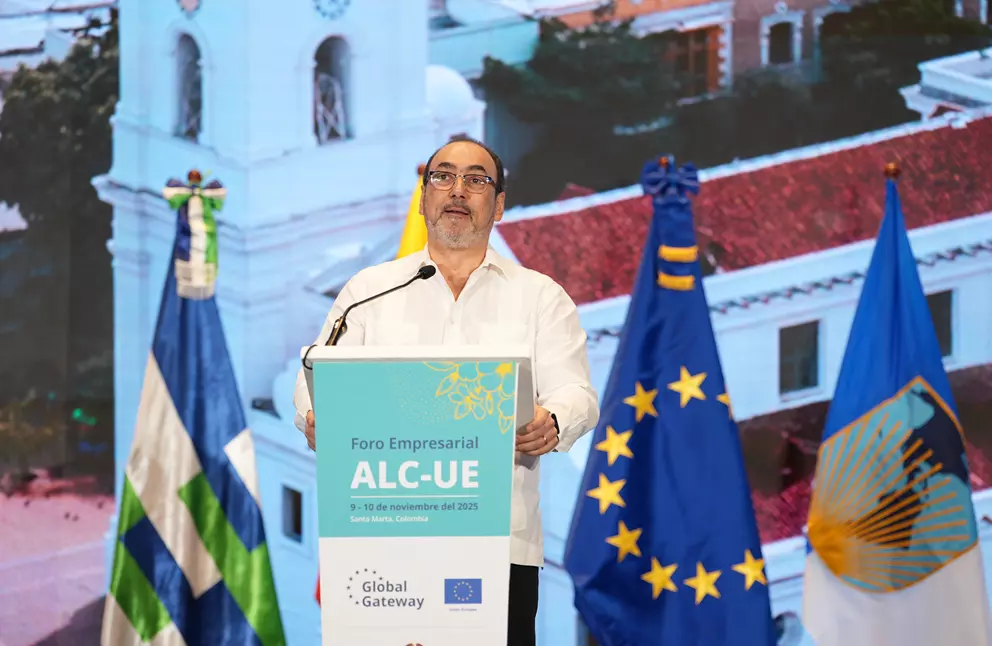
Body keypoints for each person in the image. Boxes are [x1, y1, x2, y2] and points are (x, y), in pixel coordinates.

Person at [292, 136, 600, 646]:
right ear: (423, 198)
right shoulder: (368, 291)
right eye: (443, 176)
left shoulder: (540, 297)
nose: (457, 190)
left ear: (498, 206)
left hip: (499, 547)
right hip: (384, 544)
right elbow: (317, 376)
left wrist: (553, 420)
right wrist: (315, 416)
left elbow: (577, 393)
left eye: (476, 180)